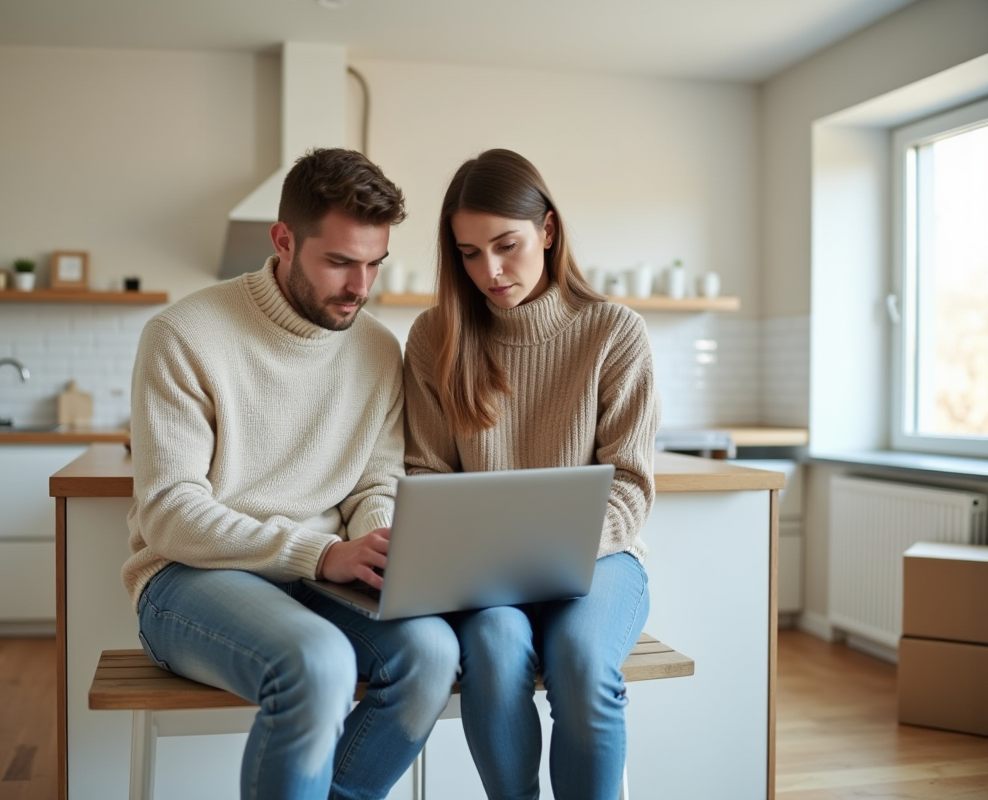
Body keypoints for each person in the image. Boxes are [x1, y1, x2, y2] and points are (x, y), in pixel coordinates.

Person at [125, 148, 459, 800]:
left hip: (322, 572)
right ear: (283, 241)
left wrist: (380, 546)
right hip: (190, 577)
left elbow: (376, 481)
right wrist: (321, 552)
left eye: (373, 264)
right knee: (318, 662)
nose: (360, 287)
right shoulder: (183, 334)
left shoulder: (376, 348)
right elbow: (167, 510)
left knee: (433, 654)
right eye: (339, 262)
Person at [403, 149, 660, 800]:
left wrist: (552, 555)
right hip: (485, 577)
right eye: (467, 253)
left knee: (580, 660)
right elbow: (426, 474)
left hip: (600, 562)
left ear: (547, 231)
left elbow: (630, 486)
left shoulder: (613, 332)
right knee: (492, 644)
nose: (488, 270)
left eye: (505, 245)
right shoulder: (436, 338)